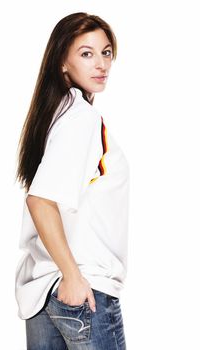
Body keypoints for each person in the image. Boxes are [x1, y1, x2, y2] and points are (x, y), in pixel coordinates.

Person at [15, 12, 129, 350]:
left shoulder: (56, 114)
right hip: (81, 289)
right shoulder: (81, 118)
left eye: (106, 52)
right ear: (62, 61)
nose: (101, 64)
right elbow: (39, 200)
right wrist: (73, 276)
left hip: (44, 292)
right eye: (86, 53)